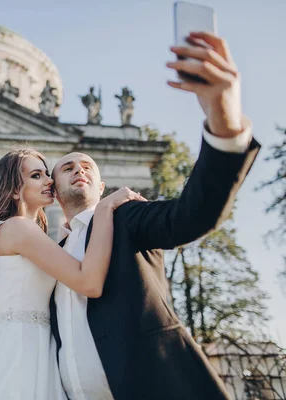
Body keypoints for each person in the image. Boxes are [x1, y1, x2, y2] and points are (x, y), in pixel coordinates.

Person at [48, 31, 260, 400]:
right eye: (67, 167)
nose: (79, 169)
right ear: (51, 190)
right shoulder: (51, 252)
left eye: (87, 166)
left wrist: (224, 122)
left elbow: (192, 215)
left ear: (103, 188)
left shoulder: (125, 218)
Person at [0, 147, 145, 400]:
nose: (49, 180)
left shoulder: (14, 230)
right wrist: (105, 209)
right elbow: (89, 282)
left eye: (46, 173)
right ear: (14, 189)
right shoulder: (18, 228)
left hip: (24, 343)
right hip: (23, 349)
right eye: (36, 176)